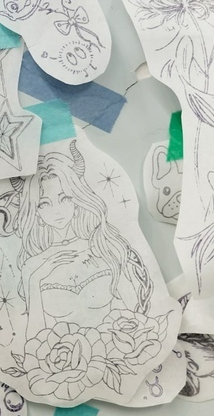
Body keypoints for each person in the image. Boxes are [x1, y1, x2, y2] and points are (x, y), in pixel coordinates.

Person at [13, 141, 151, 335]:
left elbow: (135, 312)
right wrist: (36, 278)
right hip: (63, 351)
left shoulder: (102, 246)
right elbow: (34, 337)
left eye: (64, 199)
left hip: (121, 343)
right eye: (44, 204)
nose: (57, 211)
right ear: (36, 212)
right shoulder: (32, 267)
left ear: (76, 202)